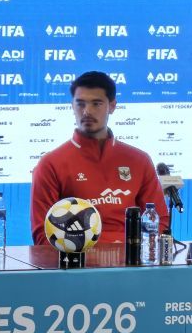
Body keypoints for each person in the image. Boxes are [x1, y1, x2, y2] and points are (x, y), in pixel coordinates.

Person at [30, 71, 169, 245]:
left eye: (96, 104)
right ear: (72, 106)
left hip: (131, 259)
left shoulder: (139, 160)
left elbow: (159, 221)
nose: (87, 111)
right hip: (78, 260)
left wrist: (129, 250)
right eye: (80, 104)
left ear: (112, 106)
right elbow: (43, 236)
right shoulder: (51, 164)